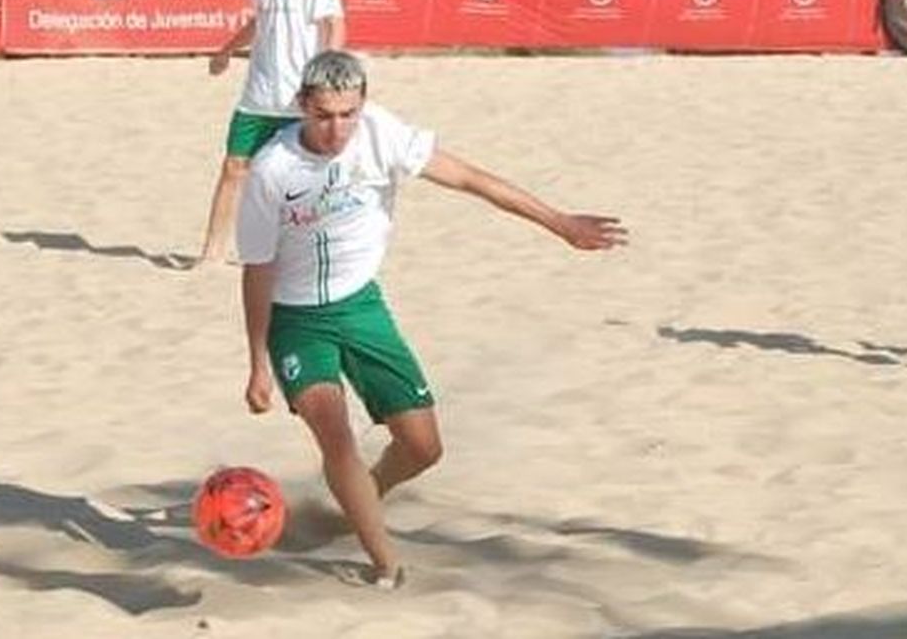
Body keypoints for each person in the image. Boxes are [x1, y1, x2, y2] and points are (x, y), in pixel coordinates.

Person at [236, 50, 627, 588]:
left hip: (361, 305)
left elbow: (469, 178)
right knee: (336, 435)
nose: (337, 128)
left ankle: (358, 498)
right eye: (324, 115)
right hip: (296, 319)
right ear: (303, 105)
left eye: (348, 113)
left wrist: (560, 222)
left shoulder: (381, 134)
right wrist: (257, 363)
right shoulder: (271, 169)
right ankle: (385, 564)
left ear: (363, 104)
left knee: (423, 447)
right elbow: (257, 271)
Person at [196, 0, 346, 266]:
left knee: (303, 179)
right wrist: (226, 51)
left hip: (299, 96)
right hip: (258, 93)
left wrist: (327, 78)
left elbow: (333, 22)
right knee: (234, 168)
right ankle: (212, 254)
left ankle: (312, 255)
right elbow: (260, 20)